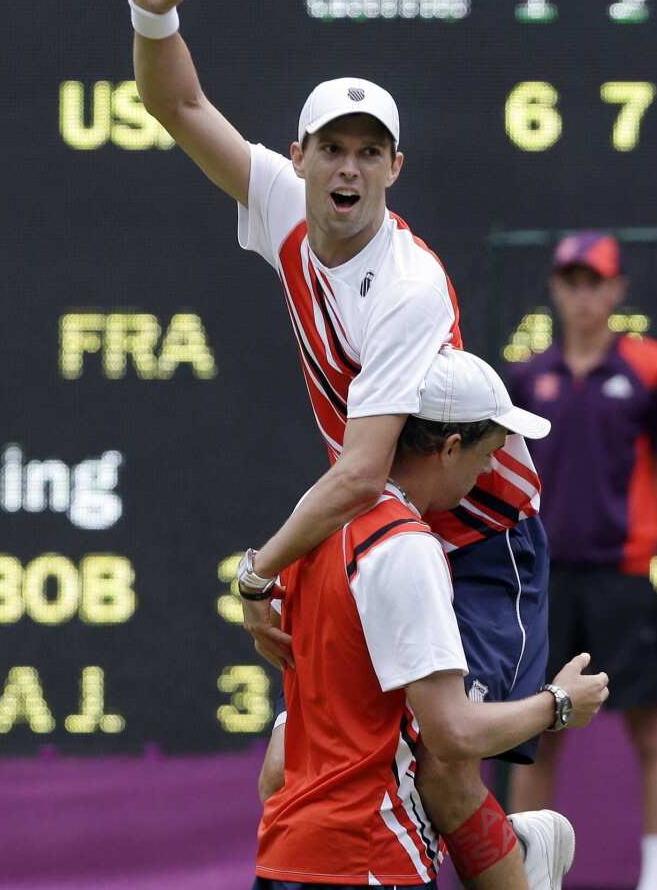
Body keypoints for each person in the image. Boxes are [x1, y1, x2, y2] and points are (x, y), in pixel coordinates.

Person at [128, 0, 552, 887]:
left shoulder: (406, 287)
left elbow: (363, 470)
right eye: (333, 148)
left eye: (370, 151)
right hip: (380, 531)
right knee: (292, 767)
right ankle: (517, 854)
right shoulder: (282, 207)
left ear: (395, 166)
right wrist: (152, 17)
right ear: (300, 158)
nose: (349, 168)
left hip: (477, 533)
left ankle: (521, 865)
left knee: (439, 765)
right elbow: (180, 108)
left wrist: (257, 574)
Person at [255, 346, 610, 889]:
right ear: (448, 448)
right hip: (370, 858)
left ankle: (513, 850)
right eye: (487, 451)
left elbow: (281, 765)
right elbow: (451, 732)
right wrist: (558, 704)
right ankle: (516, 851)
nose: (493, 467)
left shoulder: (317, 518)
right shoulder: (405, 547)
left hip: (288, 852)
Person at [505, 232, 657, 890]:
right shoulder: (526, 376)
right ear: (557, 289)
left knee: (648, 728)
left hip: (622, 579)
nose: (583, 295)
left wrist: (640, 539)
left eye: (595, 282)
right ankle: (523, 876)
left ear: (616, 291)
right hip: (546, 582)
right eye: (572, 282)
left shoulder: (652, 368)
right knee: (536, 727)